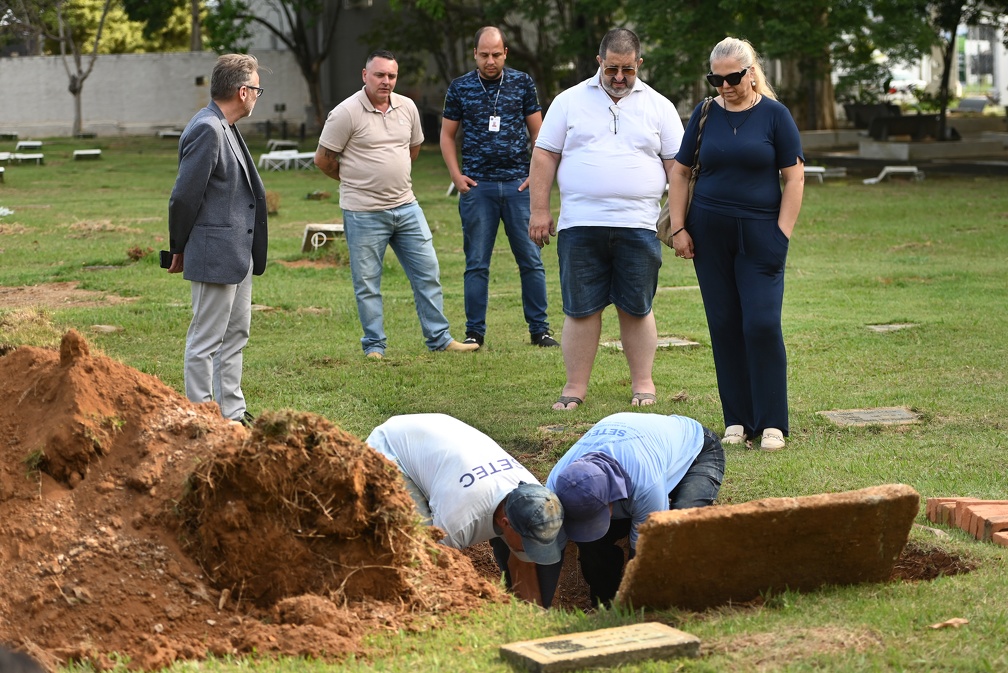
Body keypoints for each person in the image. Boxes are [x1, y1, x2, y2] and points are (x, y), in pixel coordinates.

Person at [527, 28, 684, 411]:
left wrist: (678, 224)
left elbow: (678, 169)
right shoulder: (568, 101)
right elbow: (544, 155)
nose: (618, 77)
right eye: (611, 68)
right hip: (580, 223)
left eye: (627, 70)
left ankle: (643, 382)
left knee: (637, 307)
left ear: (639, 65)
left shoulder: (660, 106)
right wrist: (540, 210)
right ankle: (574, 386)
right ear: (599, 61)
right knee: (580, 308)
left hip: (640, 224)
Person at [666, 37, 805, 451]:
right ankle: (738, 420)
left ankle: (773, 422)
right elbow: (679, 172)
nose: (725, 86)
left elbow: (794, 177)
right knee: (724, 325)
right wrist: (678, 228)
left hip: (762, 234)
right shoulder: (705, 112)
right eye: (716, 78)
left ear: (750, 73)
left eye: (732, 78)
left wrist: (781, 234)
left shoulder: (776, 116)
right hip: (709, 234)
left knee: (761, 324)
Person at [315, 50, 478, 359]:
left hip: (406, 207)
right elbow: (323, 160)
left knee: (428, 272)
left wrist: (391, 175)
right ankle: (375, 347)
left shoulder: (408, 107)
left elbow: (413, 148)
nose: (386, 81)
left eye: (391, 76)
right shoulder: (345, 113)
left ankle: (440, 339)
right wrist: (354, 181)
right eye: (379, 75)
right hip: (363, 212)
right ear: (365, 76)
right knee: (367, 284)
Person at [365, 413, 565, 608]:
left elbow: (524, 566)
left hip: (440, 436)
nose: (532, 550)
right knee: (414, 538)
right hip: (393, 448)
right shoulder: (458, 522)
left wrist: (533, 621)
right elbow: (431, 571)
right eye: (528, 544)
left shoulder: (535, 498)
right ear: (506, 522)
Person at [167, 53, 269, 426]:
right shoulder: (208, 128)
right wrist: (178, 247)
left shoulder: (225, 125)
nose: (258, 95)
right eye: (257, 88)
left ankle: (232, 413)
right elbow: (183, 197)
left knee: (236, 335)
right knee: (206, 340)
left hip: (237, 253)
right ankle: (201, 417)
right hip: (214, 253)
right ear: (243, 91)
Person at [440, 26, 557, 349]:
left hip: (519, 186)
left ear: (505, 53)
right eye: (484, 55)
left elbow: (541, 135)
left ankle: (540, 330)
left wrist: (536, 175)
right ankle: (474, 332)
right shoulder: (461, 87)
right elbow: (447, 135)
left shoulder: (521, 83)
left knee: (531, 260)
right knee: (477, 262)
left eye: (496, 54)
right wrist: (456, 175)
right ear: (474, 54)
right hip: (478, 187)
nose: (490, 61)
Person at [546, 412, 724, 606]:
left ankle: (677, 602)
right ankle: (604, 605)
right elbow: (550, 553)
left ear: (610, 500)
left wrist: (633, 610)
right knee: (590, 544)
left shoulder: (645, 485)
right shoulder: (556, 484)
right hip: (641, 445)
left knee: (678, 525)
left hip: (696, 451)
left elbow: (643, 557)